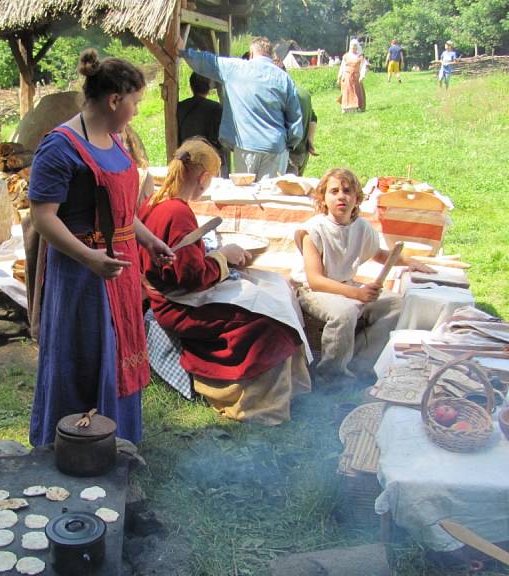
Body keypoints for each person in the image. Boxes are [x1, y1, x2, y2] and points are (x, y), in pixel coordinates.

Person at [27, 49, 173, 446]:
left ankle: (117, 442)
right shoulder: (60, 148)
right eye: (135, 102)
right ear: (114, 99)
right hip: (81, 277)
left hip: (118, 273)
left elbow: (123, 211)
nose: (136, 111)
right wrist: (89, 258)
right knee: (86, 358)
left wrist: (149, 239)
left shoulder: (114, 140)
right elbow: (43, 217)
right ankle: (75, 443)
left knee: (117, 356)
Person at [139, 138, 311, 424]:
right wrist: (223, 257)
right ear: (204, 177)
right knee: (269, 321)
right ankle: (258, 403)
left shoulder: (157, 202)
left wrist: (213, 255)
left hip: (175, 297)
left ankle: (284, 390)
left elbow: (179, 263)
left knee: (273, 290)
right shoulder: (176, 211)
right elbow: (190, 277)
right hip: (179, 307)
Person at [293, 168, 434, 384]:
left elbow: (376, 253)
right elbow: (315, 280)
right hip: (315, 291)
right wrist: (358, 293)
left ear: (357, 198)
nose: (341, 196)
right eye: (334, 191)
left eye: (347, 191)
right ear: (323, 198)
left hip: (347, 285)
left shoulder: (360, 227)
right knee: (345, 312)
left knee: (396, 304)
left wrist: (408, 261)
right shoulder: (314, 230)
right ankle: (331, 374)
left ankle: (361, 362)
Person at [178, 36, 303, 181]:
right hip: (276, 147)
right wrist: (290, 143)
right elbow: (295, 117)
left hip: (245, 146)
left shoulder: (235, 68)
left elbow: (208, 62)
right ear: (270, 55)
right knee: (270, 195)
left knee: (246, 194)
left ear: (251, 53)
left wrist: (184, 52)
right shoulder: (284, 78)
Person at [177, 72, 225, 173]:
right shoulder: (215, 108)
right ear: (209, 88)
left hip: (186, 156)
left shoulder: (180, 107)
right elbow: (218, 136)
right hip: (208, 157)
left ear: (191, 86)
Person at [337, 39, 367, 113]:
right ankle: (346, 108)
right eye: (352, 47)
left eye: (355, 47)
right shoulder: (346, 56)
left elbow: (363, 67)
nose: (354, 48)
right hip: (347, 76)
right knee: (347, 91)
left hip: (356, 76)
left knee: (357, 92)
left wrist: (362, 76)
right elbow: (342, 67)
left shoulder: (360, 57)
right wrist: (339, 77)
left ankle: (357, 107)